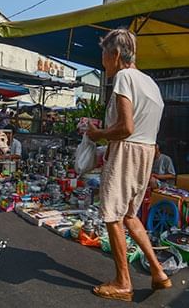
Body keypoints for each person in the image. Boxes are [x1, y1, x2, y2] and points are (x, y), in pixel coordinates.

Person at [86, 29, 171, 302]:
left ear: (116, 54)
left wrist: (98, 134)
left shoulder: (124, 77)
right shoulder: (151, 83)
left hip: (128, 150)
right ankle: (159, 273)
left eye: (104, 54)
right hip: (145, 152)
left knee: (112, 214)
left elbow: (125, 127)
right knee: (130, 215)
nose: (103, 60)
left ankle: (123, 282)